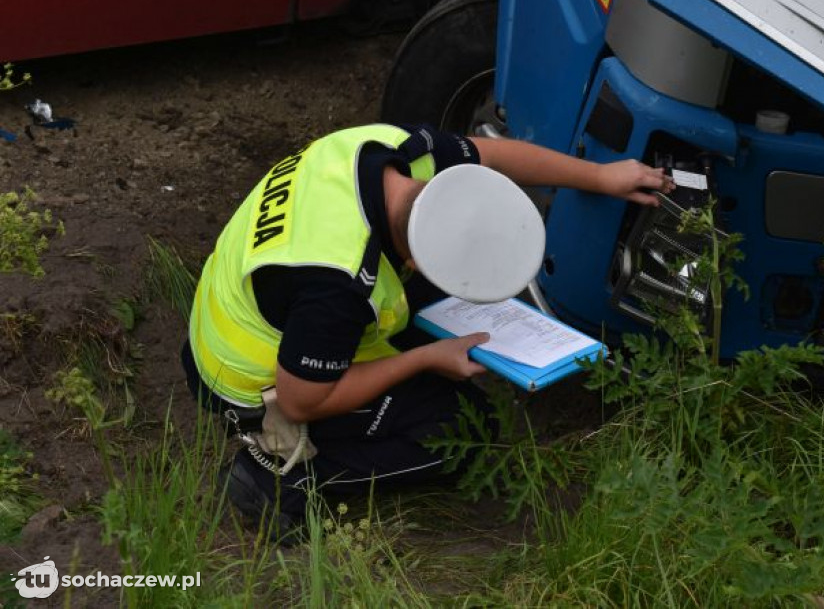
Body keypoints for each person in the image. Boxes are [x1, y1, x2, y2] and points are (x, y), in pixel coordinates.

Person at [182, 122, 672, 539]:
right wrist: (424, 360)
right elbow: (299, 401)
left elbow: (491, 155)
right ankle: (278, 477)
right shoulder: (338, 284)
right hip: (247, 379)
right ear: (414, 260)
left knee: (431, 320)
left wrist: (600, 177)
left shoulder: (397, 150)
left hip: (248, 304)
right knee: (461, 431)